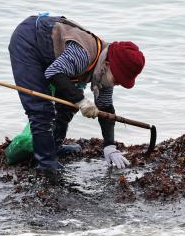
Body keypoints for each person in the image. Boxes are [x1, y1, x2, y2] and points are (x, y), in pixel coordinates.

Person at [8, 13, 145, 178]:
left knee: (67, 106)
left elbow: (105, 107)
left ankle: (54, 146)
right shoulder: (83, 55)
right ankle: (46, 164)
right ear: (107, 65)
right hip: (28, 41)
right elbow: (54, 72)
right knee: (41, 109)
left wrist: (109, 146)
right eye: (118, 79)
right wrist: (81, 101)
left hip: (55, 57)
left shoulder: (104, 70)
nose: (117, 84)